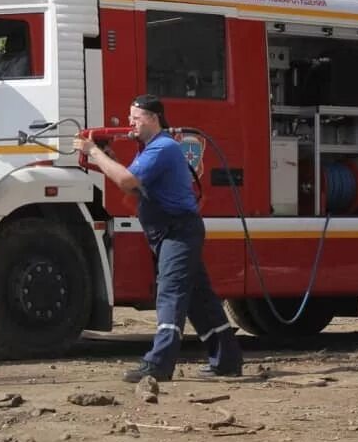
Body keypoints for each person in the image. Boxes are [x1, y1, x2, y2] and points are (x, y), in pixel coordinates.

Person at [73, 94, 243, 382]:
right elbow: (134, 188)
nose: (130, 124)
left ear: (153, 118)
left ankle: (159, 363)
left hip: (178, 231)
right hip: (172, 231)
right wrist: (109, 160)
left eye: (135, 118)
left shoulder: (162, 148)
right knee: (200, 300)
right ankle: (226, 359)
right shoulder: (150, 148)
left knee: (171, 293)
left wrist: (94, 153)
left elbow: (127, 181)